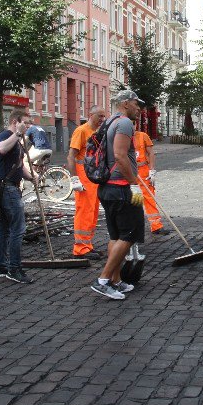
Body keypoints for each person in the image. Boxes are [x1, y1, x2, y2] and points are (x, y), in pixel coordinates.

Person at [90, 89, 146, 300]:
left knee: (115, 235)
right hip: (121, 187)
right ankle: (103, 280)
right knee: (130, 234)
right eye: (136, 103)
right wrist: (134, 184)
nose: (139, 108)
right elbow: (121, 156)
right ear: (124, 104)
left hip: (108, 187)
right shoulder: (124, 123)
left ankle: (115, 280)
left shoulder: (109, 122)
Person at [0, 110, 36, 284]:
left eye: (29, 123)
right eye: (25, 123)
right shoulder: (6, 135)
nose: (28, 126)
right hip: (8, 190)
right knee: (18, 230)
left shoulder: (18, 140)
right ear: (14, 122)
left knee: (5, 228)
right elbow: (1, 149)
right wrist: (18, 133)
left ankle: (1, 267)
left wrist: (31, 177)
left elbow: (17, 166)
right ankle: (14, 269)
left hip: (11, 187)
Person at [67, 105, 107, 257]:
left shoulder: (97, 132)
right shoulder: (81, 131)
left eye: (104, 117)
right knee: (84, 211)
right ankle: (80, 248)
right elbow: (71, 156)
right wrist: (75, 179)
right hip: (84, 178)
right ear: (91, 115)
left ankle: (87, 244)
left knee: (93, 212)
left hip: (93, 178)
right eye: (100, 116)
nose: (102, 120)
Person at [133, 128, 167, 235]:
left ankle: (156, 226)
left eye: (133, 124)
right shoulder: (123, 137)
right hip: (130, 172)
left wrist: (151, 170)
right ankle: (134, 226)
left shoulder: (143, 136)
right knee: (134, 199)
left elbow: (151, 153)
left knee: (149, 197)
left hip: (143, 172)